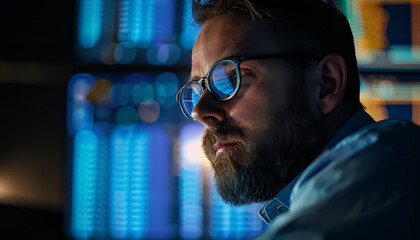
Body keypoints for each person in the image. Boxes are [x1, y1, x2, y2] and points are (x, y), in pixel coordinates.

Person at [176, 0, 420, 239]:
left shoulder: (382, 167)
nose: (199, 112)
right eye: (196, 90)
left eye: (231, 78)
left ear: (326, 83)